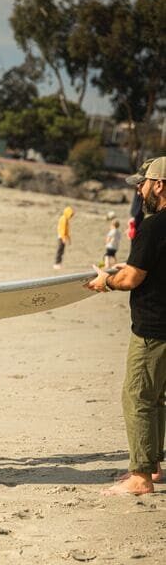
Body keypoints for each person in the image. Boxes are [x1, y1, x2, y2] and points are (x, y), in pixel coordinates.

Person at [87, 156, 166, 496]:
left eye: (143, 183)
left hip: (153, 330)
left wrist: (106, 280)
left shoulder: (153, 226)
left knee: (137, 396)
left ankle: (141, 477)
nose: (139, 188)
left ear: (159, 185)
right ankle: (154, 465)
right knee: (157, 399)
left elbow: (133, 278)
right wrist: (128, 265)